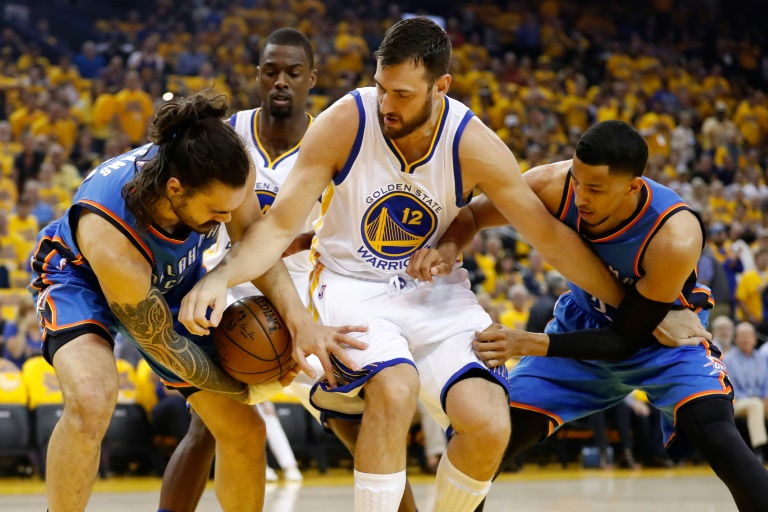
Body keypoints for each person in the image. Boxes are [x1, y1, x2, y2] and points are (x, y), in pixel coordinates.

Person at [181, 18, 644, 512]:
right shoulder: (347, 121)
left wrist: (636, 309)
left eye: (401, 94)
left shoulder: (472, 143)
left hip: (432, 291)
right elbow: (275, 228)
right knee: (394, 387)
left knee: (489, 423)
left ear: (440, 86)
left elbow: (548, 236)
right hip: (348, 283)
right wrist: (222, 276)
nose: (386, 104)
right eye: (381, 87)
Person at [27, 91, 363, 512]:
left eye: (229, 211)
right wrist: (247, 387)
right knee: (93, 399)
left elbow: (254, 249)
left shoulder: (218, 172)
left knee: (245, 432)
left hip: (168, 279)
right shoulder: (111, 231)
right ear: (174, 189)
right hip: (79, 278)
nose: (224, 222)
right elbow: (161, 342)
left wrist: (300, 324)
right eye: (215, 214)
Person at [408, 120, 768, 511]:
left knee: (718, 435)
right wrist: (449, 246)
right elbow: (473, 215)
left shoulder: (674, 236)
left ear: (633, 187)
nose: (580, 197)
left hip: (664, 339)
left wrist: (527, 342)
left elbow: (625, 341)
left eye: (595, 189)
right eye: (578, 181)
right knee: (485, 439)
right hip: (580, 324)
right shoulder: (553, 183)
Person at [158, 28, 419, 512]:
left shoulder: (334, 141)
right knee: (209, 424)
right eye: (271, 71)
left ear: (311, 79)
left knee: (359, 419)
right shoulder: (225, 136)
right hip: (232, 296)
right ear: (258, 75)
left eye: (293, 73)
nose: (281, 82)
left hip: (309, 301)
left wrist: (295, 240)